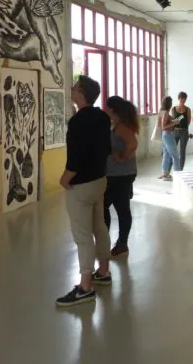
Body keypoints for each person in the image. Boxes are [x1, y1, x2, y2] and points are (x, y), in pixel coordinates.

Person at [57, 75, 113, 307]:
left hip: (80, 185)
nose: (71, 89)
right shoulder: (102, 117)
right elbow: (104, 148)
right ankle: (104, 272)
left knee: (82, 237)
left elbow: (77, 155)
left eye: (74, 87)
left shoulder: (79, 122)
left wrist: (65, 178)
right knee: (99, 227)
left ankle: (85, 287)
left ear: (81, 94)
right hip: (99, 180)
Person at [103, 96, 139, 257]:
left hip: (120, 175)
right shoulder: (118, 125)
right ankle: (117, 242)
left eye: (107, 107)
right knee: (119, 207)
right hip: (118, 174)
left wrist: (122, 157)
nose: (105, 110)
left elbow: (133, 144)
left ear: (113, 109)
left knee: (115, 207)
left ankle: (119, 242)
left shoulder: (122, 127)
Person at [158, 96, 180, 180]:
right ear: (169, 103)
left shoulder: (161, 111)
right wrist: (174, 123)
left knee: (166, 154)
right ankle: (178, 176)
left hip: (164, 135)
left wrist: (172, 122)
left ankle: (165, 174)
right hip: (168, 134)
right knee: (175, 156)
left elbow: (160, 125)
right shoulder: (166, 113)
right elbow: (164, 126)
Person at [171, 92, 191, 170]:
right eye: (182, 98)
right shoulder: (173, 109)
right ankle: (174, 167)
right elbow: (172, 120)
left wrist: (184, 128)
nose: (184, 100)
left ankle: (180, 169)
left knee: (182, 151)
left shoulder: (188, 109)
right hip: (175, 131)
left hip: (184, 132)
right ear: (179, 98)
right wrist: (175, 125)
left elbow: (188, 121)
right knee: (173, 150)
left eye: (185, 98)